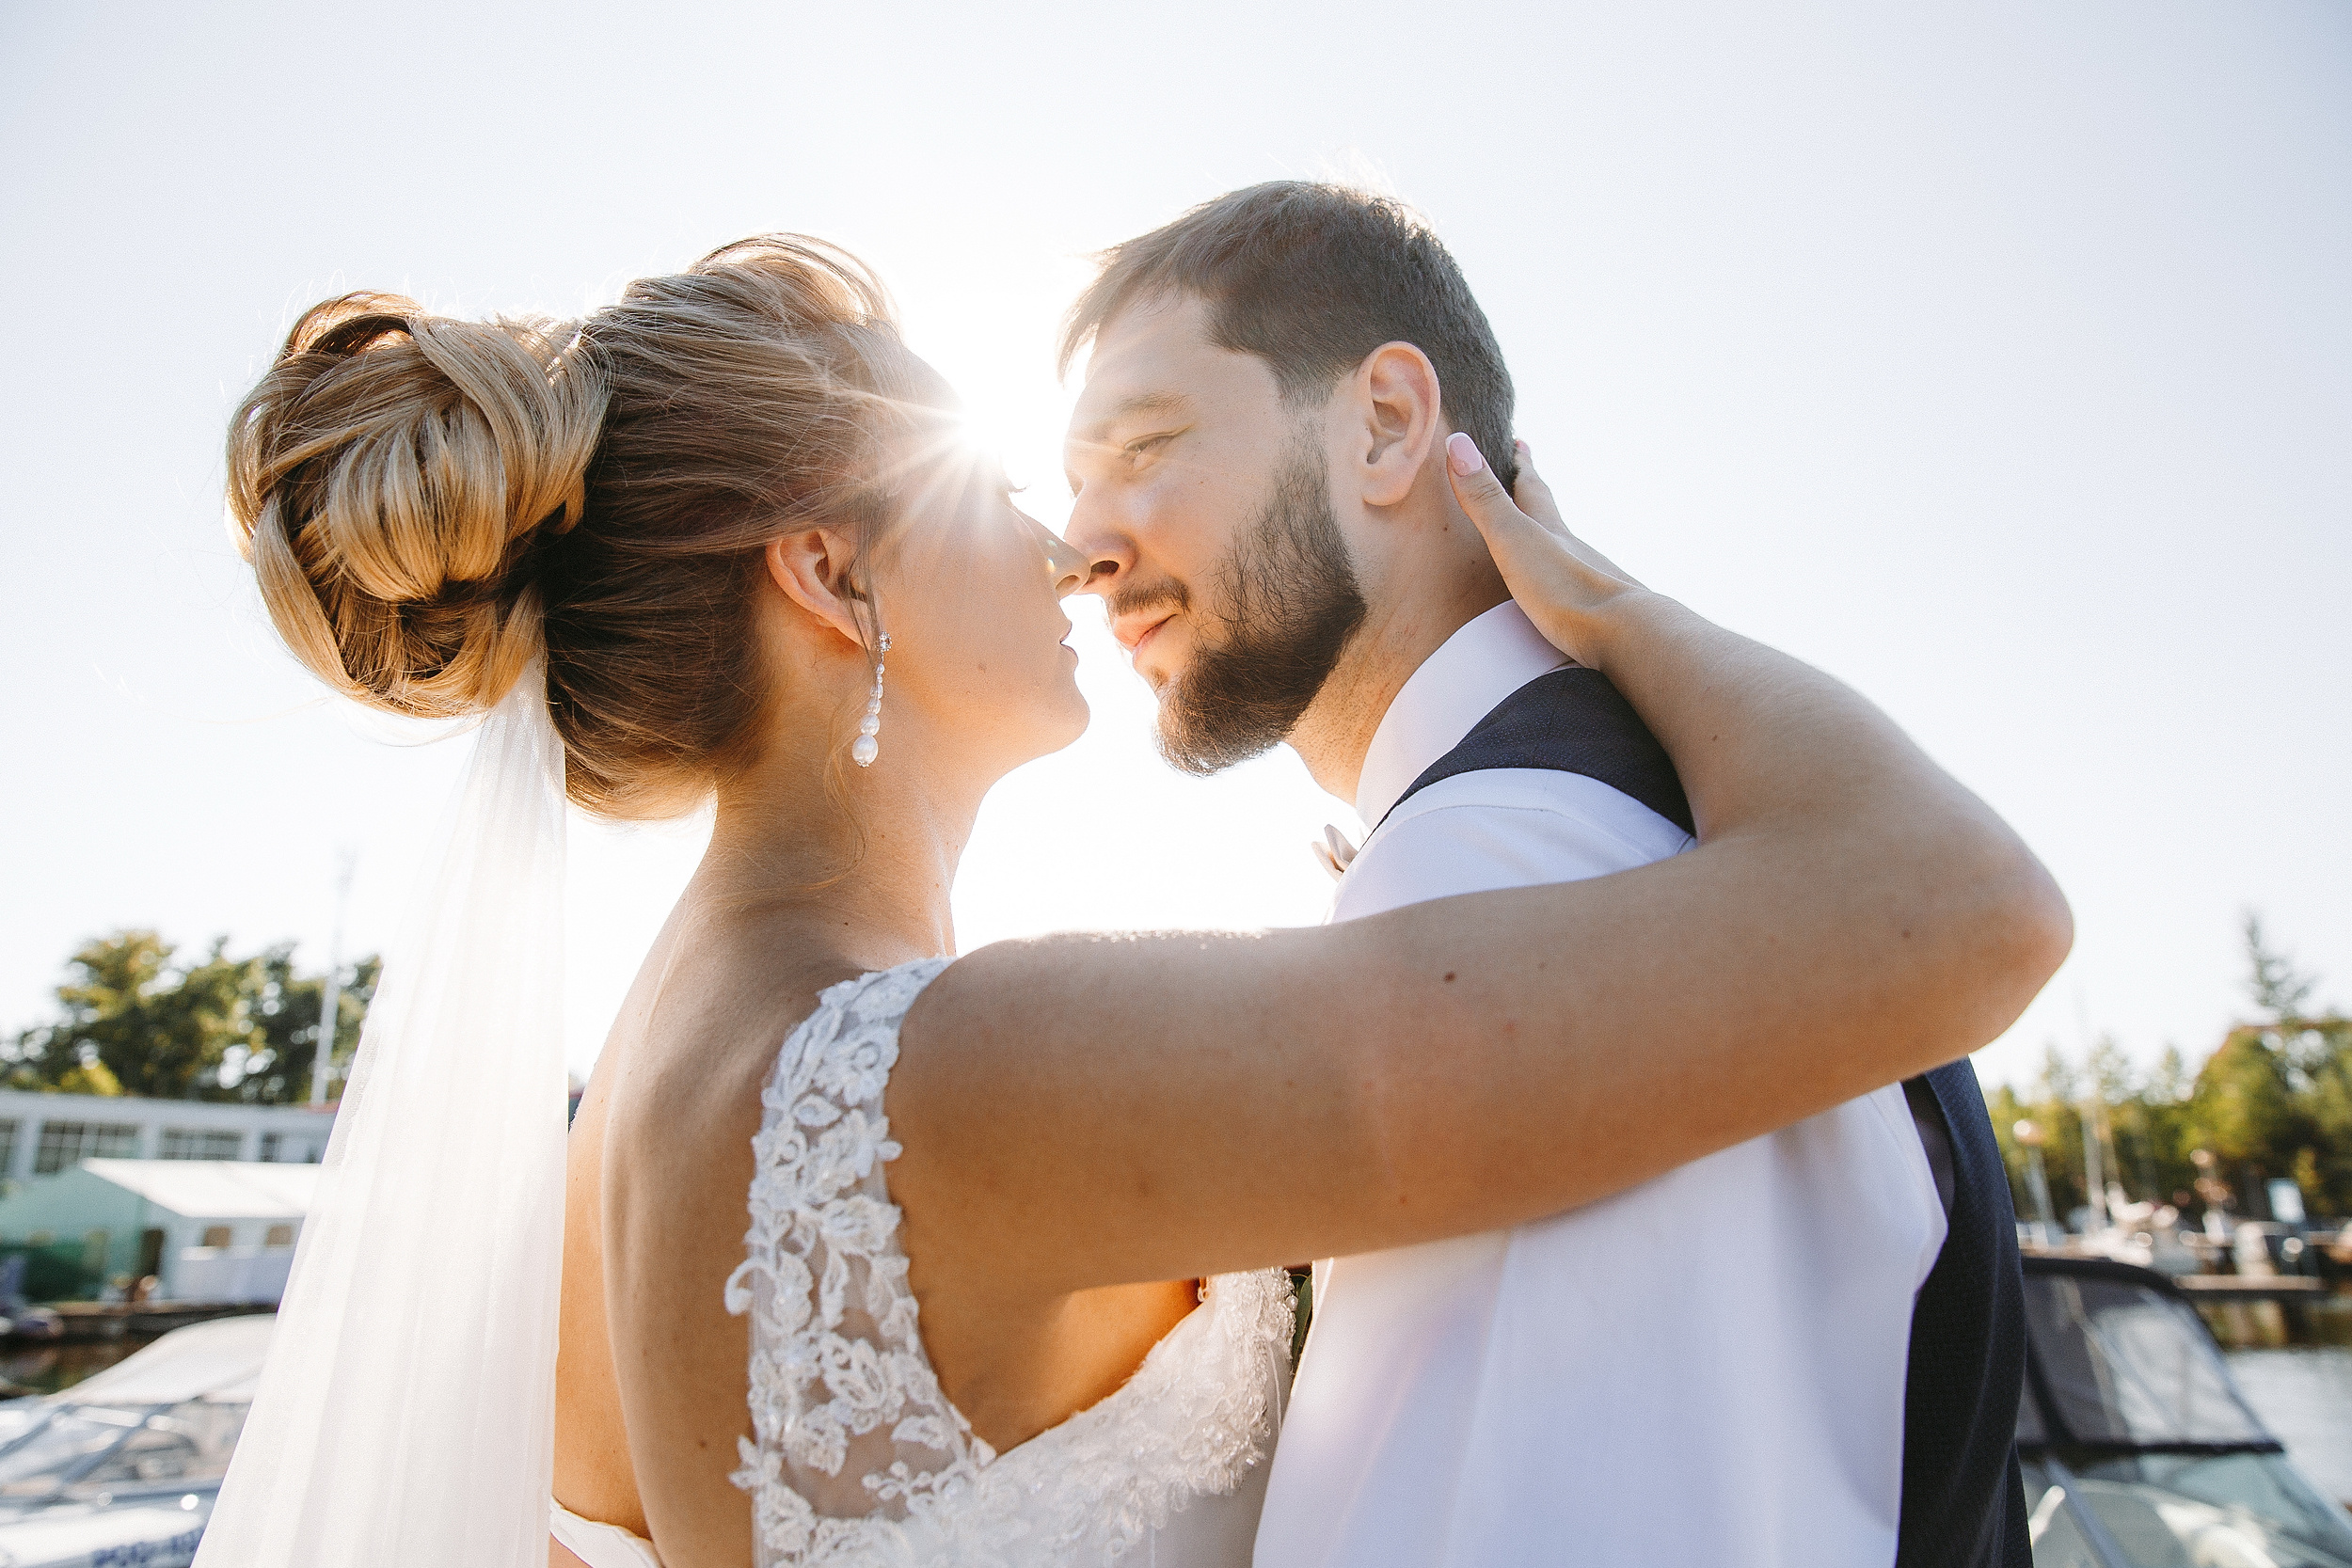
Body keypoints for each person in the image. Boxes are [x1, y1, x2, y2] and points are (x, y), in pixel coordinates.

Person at [199, 235, 2067, 1568]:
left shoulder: (620, 1118)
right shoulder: (966, 1073)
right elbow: (1963, 909)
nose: (1060, 544)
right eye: (996, 484)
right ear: (832, 578)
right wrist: (1609, 604)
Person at [1058, 182, 2035, 1568]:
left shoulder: (1513, 868)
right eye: (1070, 488)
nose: (1082, 551)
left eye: (1145, 445)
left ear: (1388, 423)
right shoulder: (1676, 822)